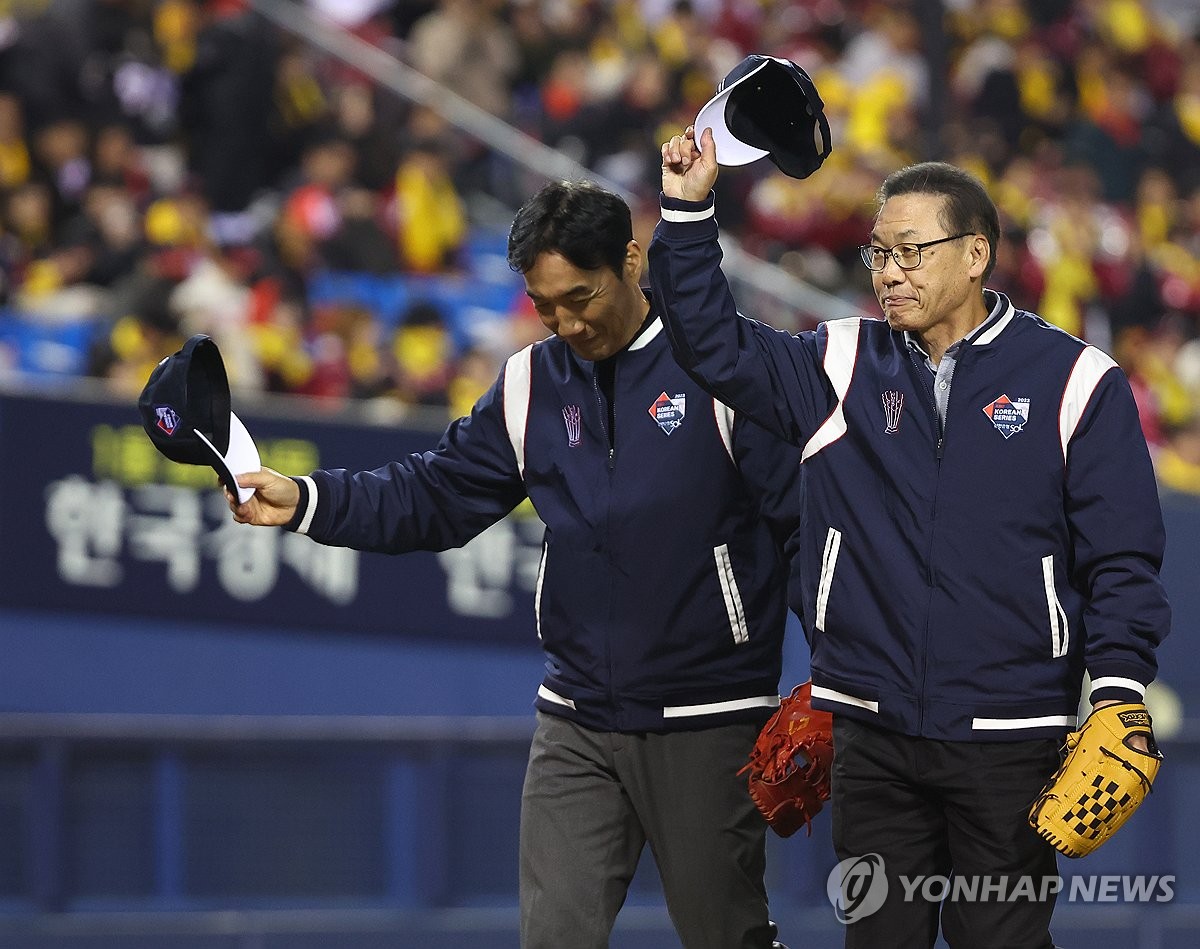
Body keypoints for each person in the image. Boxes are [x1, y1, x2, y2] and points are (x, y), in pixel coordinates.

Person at [226, 179, 804, 949]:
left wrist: (839, 678)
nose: (566, 322)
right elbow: (434, 494)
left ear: (632, 260)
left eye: (581, 296)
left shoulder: (726, 371)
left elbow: (803, 531)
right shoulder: (531, 381)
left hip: (709, 721)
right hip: (575, 719)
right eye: (544, 305)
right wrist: (306, 500)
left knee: (726, 935)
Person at [651, 127, 1171, 948]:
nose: (889, 271)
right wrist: (686, 214)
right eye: (878, 253)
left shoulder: (1077, 381)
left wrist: (1118, 689)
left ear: (975, 254)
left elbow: (1122, 560)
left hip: (1011, 738)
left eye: (910, 250)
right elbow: (712, 343)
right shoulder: (841, 363)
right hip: (871, 733)